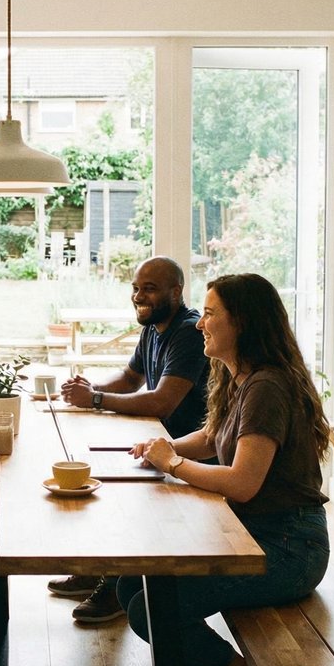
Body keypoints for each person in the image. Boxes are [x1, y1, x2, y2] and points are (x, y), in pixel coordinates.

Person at [124, 272, 332, 666]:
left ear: (242, 323)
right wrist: (164, 448)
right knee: (129, 585)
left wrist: (172, 464)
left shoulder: (268, 387)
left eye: (211, 313)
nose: (200, 323)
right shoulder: (244, 378)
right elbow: (214, 436)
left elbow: (242, 483)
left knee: (149, 607)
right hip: (256, 535)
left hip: (287, 548)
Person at [50, 256, 209, 623]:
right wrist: (88, 390)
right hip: (162, 440)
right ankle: (100, 570)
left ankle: (117, 583)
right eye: (136, 288)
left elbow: (162, 399)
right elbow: (130, 379)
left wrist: (95, 400)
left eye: (149, 289)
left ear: (176, 291)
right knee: (94, 469)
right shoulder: (154, 326)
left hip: (192, 451)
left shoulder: (187, 331)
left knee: (115, 490)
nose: (139, 295)